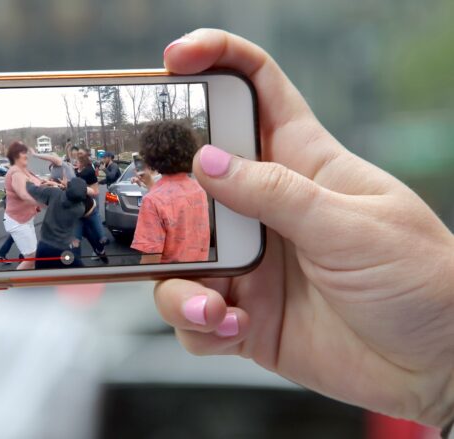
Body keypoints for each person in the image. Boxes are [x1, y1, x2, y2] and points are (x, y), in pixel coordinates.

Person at [154, 28, 454, 434]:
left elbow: (146, 248)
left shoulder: (157, 198)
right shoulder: (196, 194)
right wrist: (442, 377)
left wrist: (443, 375)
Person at [130, 121, 210, 264]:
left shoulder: (152, 201)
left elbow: (150, 262)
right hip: (199, 275)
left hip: (169, 282)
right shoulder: (198, 189)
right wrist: (150, 183)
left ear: (151, 154)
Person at [25, 177, 94, 269]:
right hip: (63, 251)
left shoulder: (54, 193)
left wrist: (27, 181)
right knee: (80, 274)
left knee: (41, 278)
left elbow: (31, 189)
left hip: (44, 248)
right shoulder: (79, 209)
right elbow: (91, 203)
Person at [3, 141, 43, 270]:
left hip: (26, 218)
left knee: (33, 257)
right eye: (23, 153)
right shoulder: (16, 172)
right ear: (15, 156)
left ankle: (27, 284)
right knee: (31, 258)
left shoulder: (24, 170)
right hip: (17, 221)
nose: (26, 155)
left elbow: (39, 182)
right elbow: (22, 194)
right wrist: (42, 203)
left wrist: (53, 185)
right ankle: (12, 285)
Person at [74, 154, 108, 263]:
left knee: (99, 235)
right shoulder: (76, 172)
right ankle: (75, 265)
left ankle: (100, 251)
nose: (75, 163)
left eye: (77, 161)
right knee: (77, 240)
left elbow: (111, 177)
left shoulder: (87, 172)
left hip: (93, 205)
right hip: (78, 214)